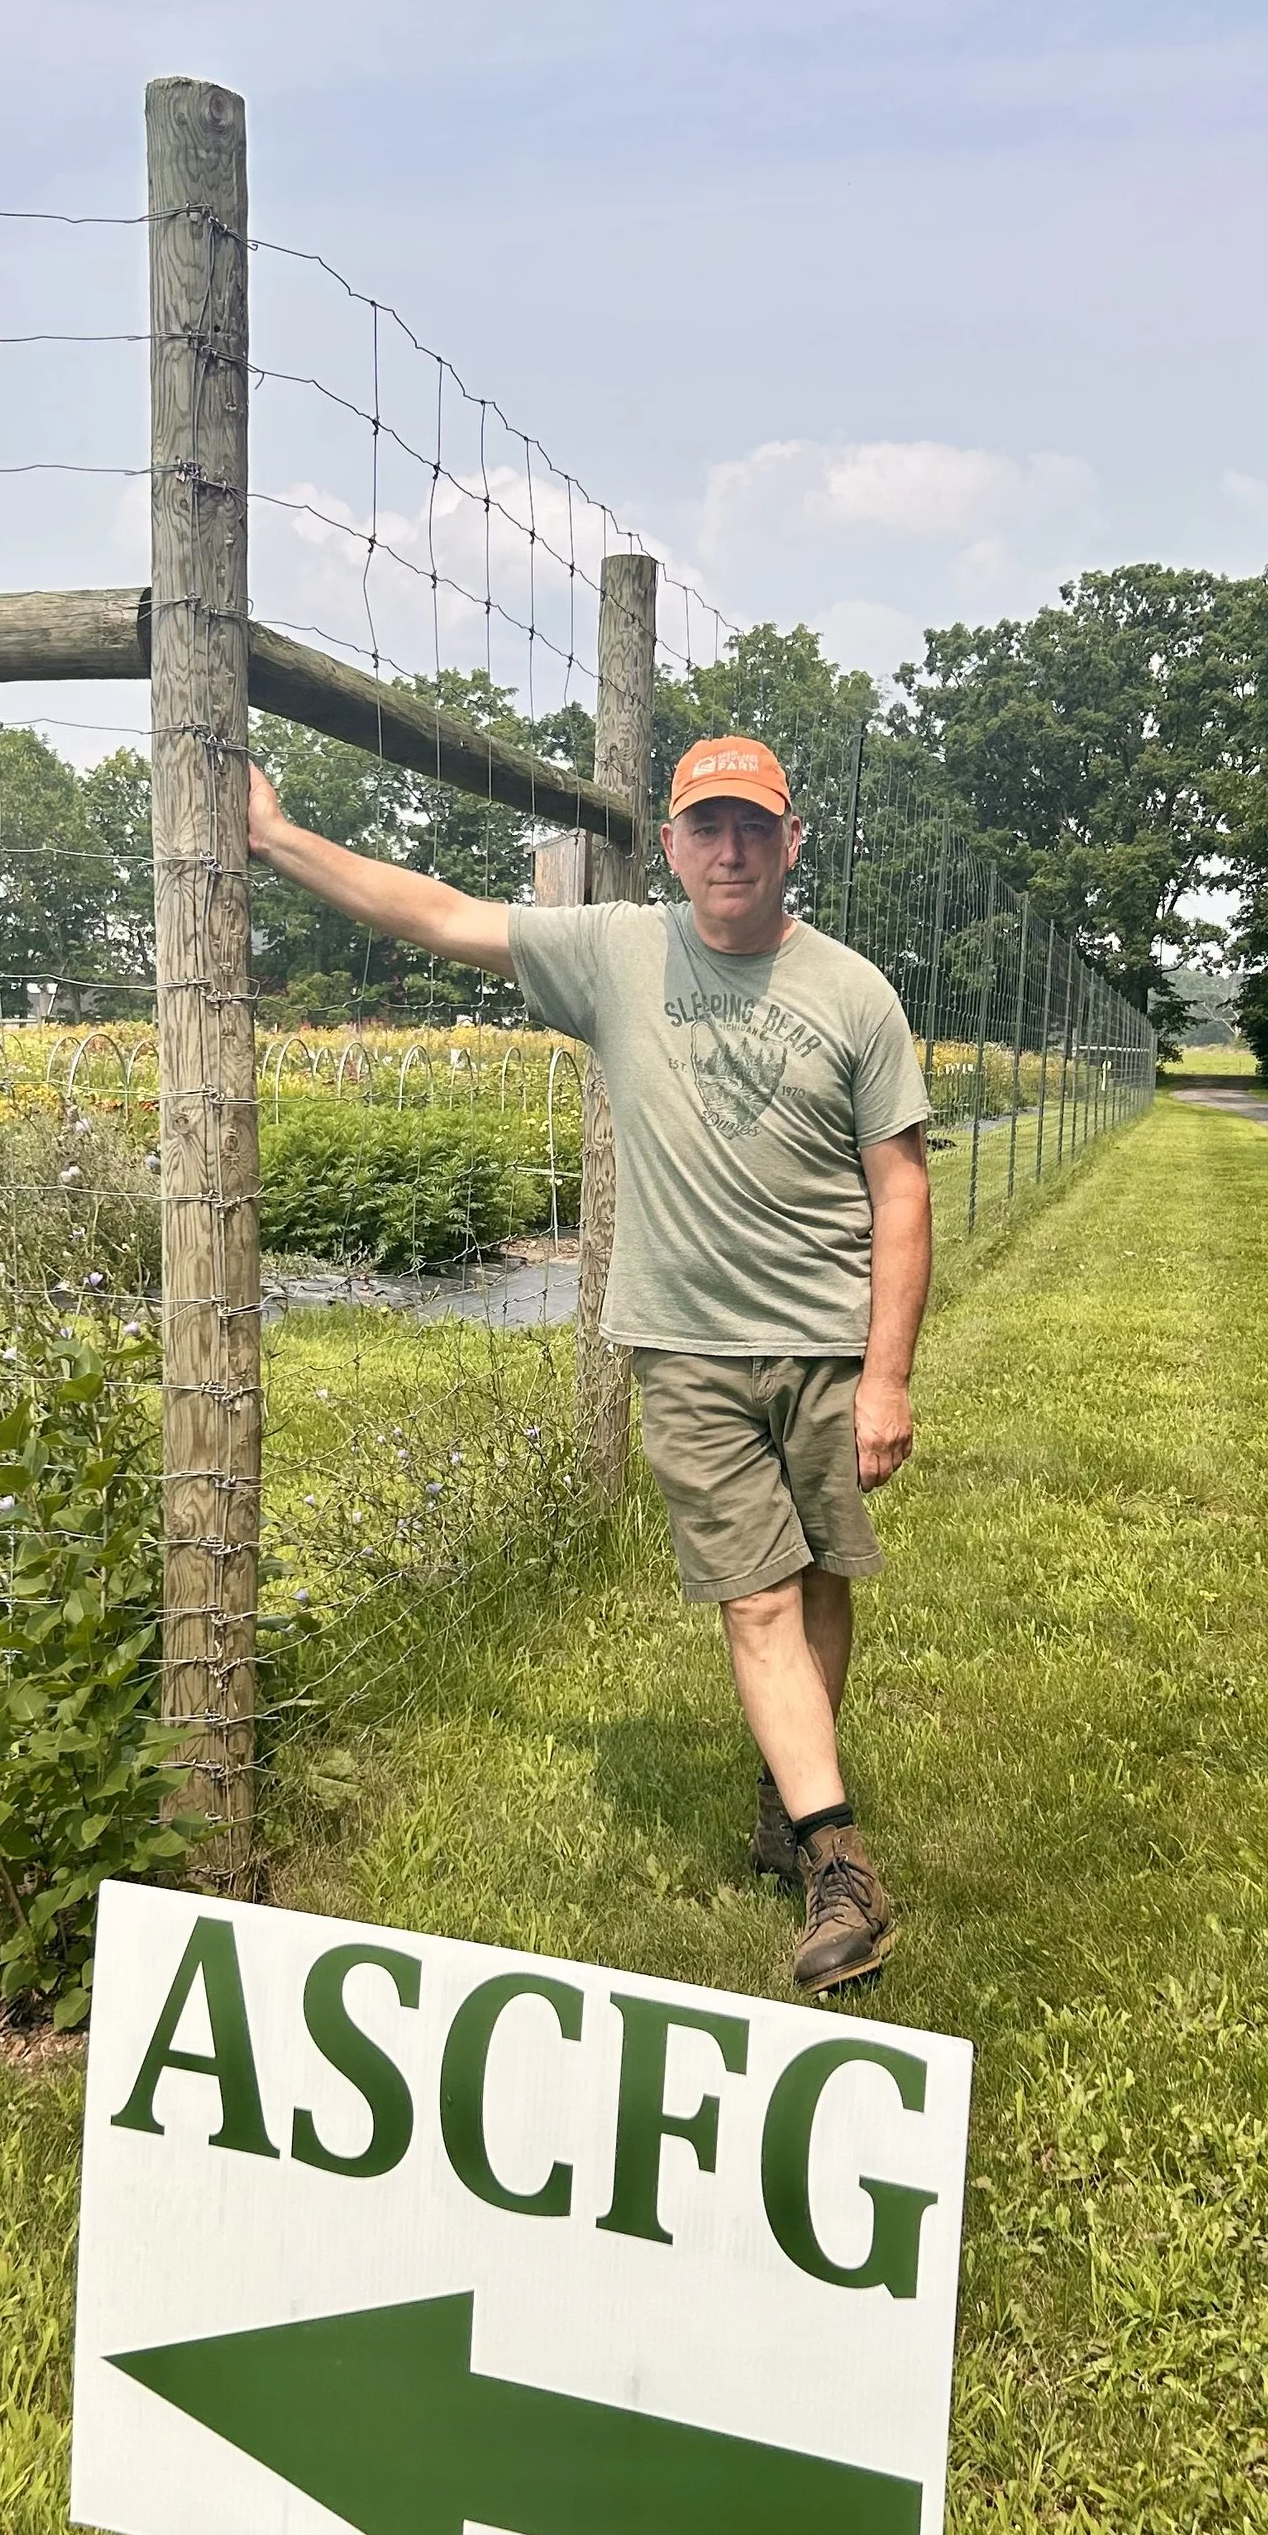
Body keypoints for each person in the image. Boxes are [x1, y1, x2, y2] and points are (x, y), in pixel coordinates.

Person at [245, 731, 932, 1994]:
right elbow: (441, 915)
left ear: (791, 844)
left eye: (753, 828)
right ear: (668, 847)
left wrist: (885, 1376)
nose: (729, 852)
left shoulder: (853, 993)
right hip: (683, 1347)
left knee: (821, 1574)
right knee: (756, 1595)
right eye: (704, 829)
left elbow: (900, 1192)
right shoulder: (619, 952)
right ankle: (840, 1864)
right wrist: (279, 839)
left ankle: (789, 1798)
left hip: (828, 1343)